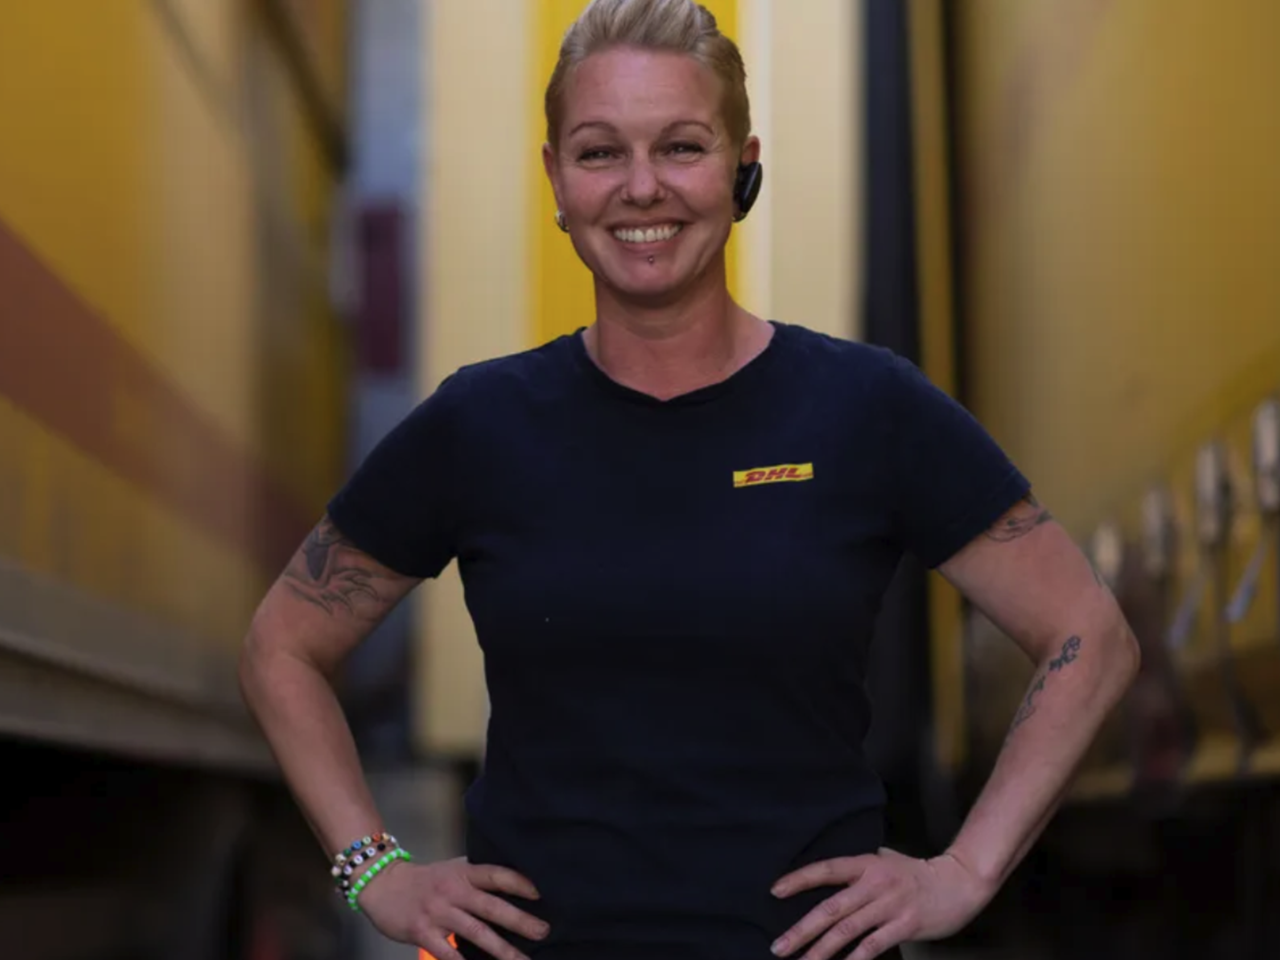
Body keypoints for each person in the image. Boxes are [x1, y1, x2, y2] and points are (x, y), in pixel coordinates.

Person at [237, 0, 1141, 958]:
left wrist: (964, 872)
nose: (641, 188)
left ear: (742, 166)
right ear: (555, 178)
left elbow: (1091, 635)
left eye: (681, 147)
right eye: (599, 152)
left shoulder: (865, 407)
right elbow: (281, 647)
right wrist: (374, 871)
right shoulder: (481, 423)